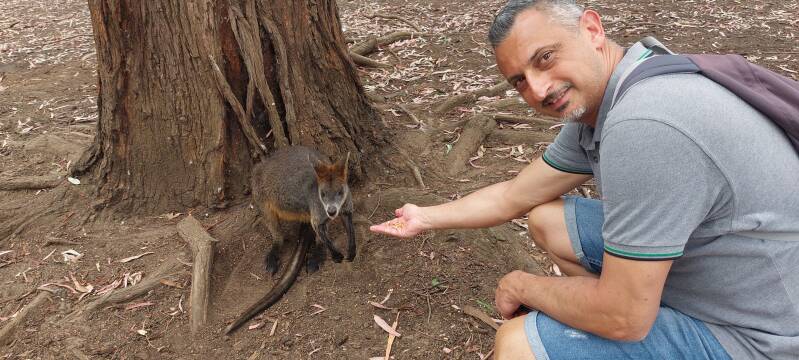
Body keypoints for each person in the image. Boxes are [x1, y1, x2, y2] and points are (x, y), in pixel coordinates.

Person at [369, 0, 799, 359]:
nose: (537, 89)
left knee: (517, 344)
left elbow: (624, 318)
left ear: (592, 29)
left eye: (545, 58)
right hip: (730, 267)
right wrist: (424, 217)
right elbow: (516, 196)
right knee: (547, 220)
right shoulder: (614, 95)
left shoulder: (644, 125)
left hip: (762, 334)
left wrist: (524, 285)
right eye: (520, 81)